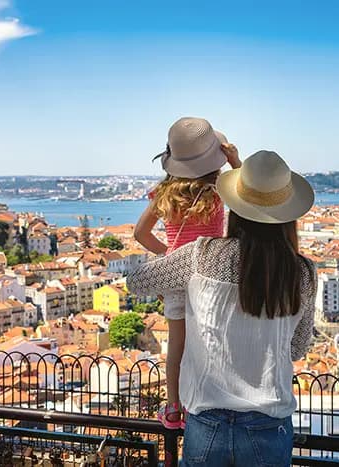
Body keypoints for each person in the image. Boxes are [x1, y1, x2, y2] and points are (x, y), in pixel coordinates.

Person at [128, 150, 317, 466]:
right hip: (269, 424)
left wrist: (174, 270)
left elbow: (137, 282)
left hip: (207, 422)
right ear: (288, 215)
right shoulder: (302, 273)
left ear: (236, 210)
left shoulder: (202, 255)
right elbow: (297, 348)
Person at [134, 117, 241, 430]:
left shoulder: (164, 194)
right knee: (213, 340)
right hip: (212, 272)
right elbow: (249, 200)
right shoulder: (219, 190)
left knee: (176, 346)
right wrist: (236, 162)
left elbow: (141, 234)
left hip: (177, 274)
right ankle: (213, 399)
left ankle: (173, 408)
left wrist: (169, 255)